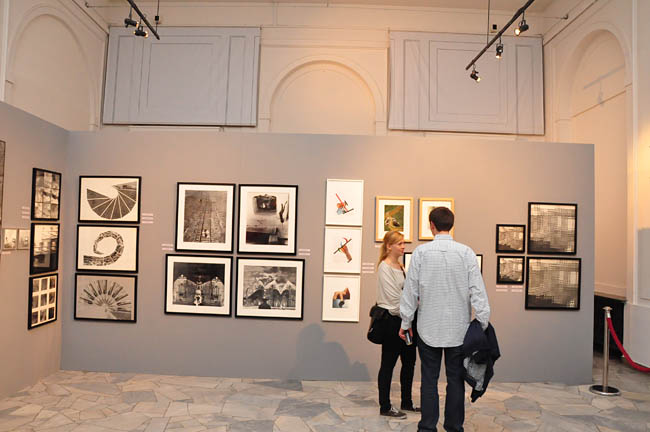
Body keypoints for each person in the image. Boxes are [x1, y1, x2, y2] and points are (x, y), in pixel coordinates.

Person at [399, 207, 490, 432]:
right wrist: (482, 323)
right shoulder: (466, 253)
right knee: (455, 380)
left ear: (431, 225)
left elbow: (410, 291)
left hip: (428, 328)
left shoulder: (421, 253)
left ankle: (427, 428)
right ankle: (454, 427)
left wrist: (405, 322)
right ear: (451, 225)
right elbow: (477, 291)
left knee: (429, 380)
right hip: (458, 330)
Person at [376, 230, 419, 419]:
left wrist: (409, 314)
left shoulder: (401, 266)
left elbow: (408, 293)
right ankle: (385, 406)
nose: (404, 246)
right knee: (388, 364)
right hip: (393, 322)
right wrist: (410, 309)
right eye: (400, 243)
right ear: (389, 246)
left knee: (409, 362)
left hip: (407, 321)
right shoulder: (384, 267)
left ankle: (406, 402)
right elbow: (395, 299)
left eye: (403, 243)